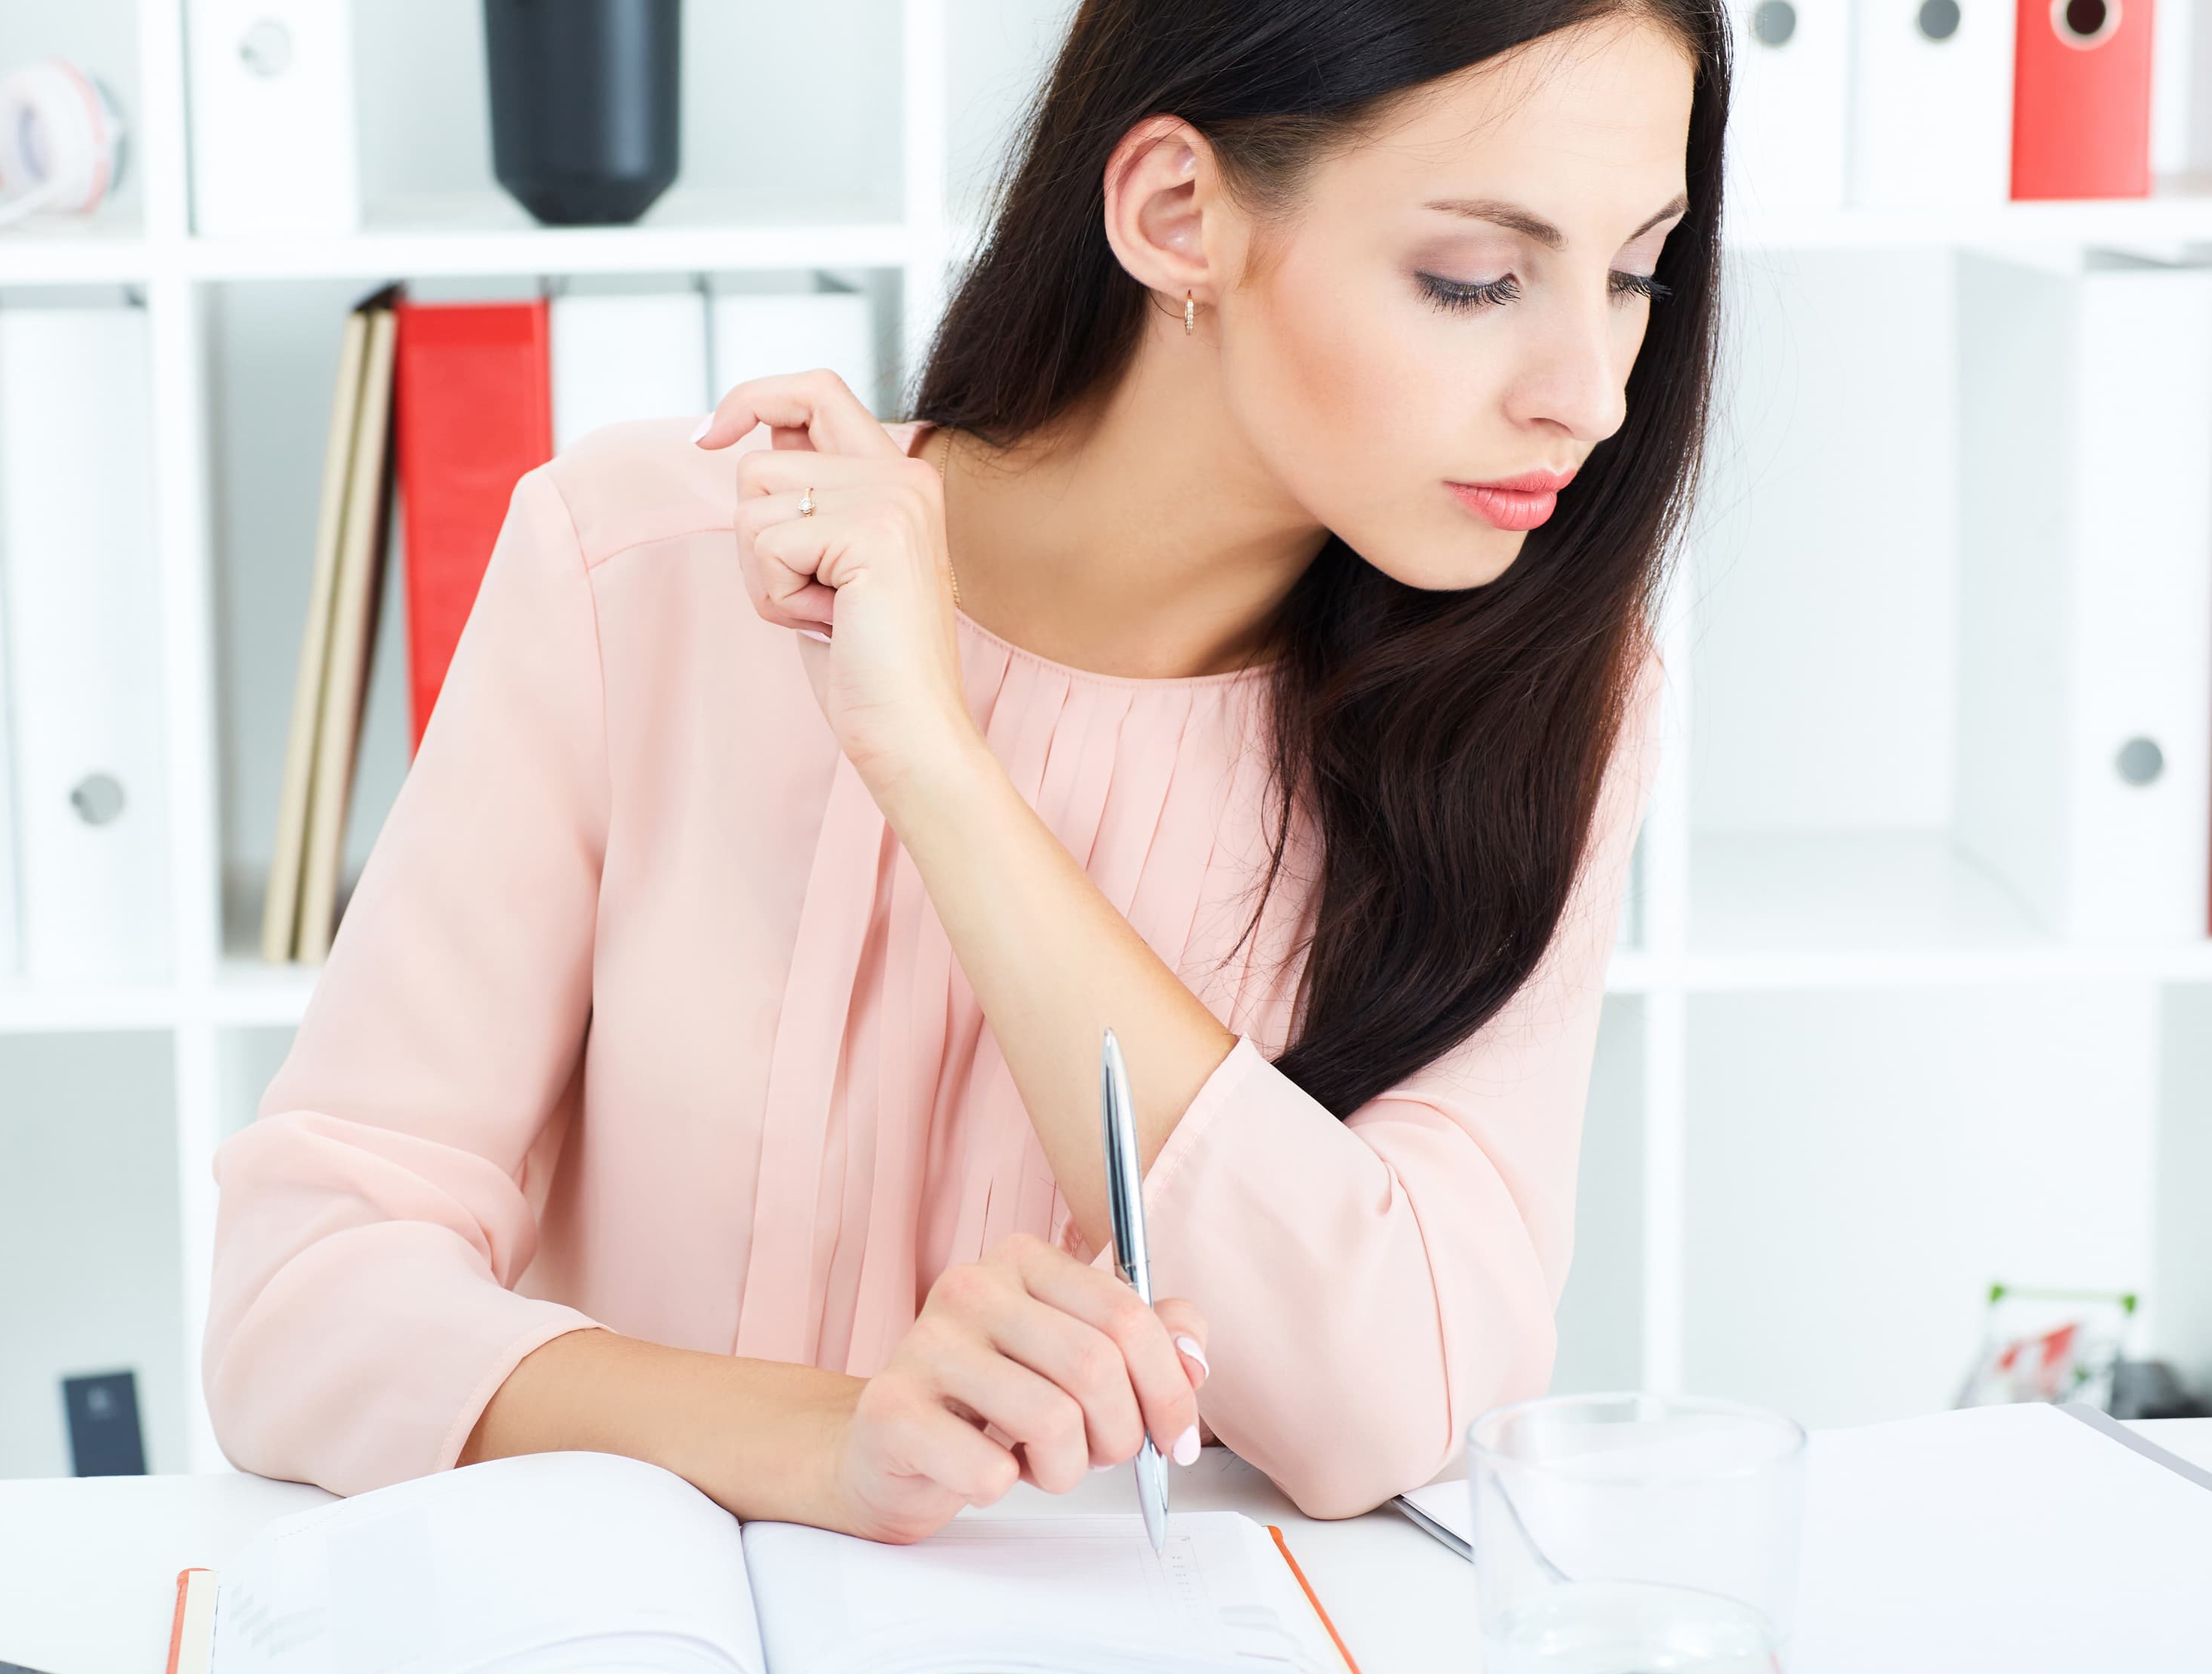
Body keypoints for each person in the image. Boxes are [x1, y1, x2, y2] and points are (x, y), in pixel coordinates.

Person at [206, 0, 1716, 1540]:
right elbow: (299, 1298)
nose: (1589, 395)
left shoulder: (1553, 712)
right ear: (1177, 215)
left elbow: (1405, 1398)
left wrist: (935, 758)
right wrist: (832, 1442)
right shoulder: (643, 567)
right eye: (1476, 281)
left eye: (1632, 274)